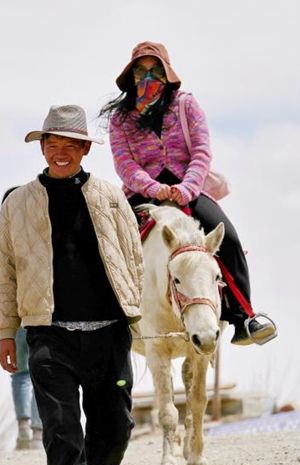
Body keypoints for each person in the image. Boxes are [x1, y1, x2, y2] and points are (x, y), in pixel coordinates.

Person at [0, 104, 144, 465]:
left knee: (117, 423)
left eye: (69, 146)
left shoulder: (111, 195)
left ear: (84, 150)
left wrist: (136, 311)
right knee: (60, 427)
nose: (60, 153)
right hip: (48, 332)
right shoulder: (17, 202)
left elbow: (132, 256)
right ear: (41, 148)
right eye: (51, 145)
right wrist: (5, 332)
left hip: (108, 329)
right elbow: (3, 271)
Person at [100, 41, 277, 346]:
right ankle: (105, 319)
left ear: (167, 72)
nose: (147, 76)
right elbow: (124, 163)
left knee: (230, 238)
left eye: (154, 69)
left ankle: (243, 317)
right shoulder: (120, 118)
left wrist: (186, 188)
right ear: (131, 76)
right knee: (107, 246)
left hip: (189, 189)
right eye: (140, 71)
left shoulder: (186, 105)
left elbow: (201, 151)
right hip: (143, 192)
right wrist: (153, 188)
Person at [0, 188, 43, 450]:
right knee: (41, 372)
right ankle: (39, 430)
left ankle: (23, 426)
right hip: (37, 313)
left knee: (20, 373)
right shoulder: (37, 234)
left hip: (13, 316)